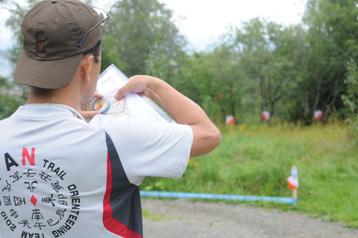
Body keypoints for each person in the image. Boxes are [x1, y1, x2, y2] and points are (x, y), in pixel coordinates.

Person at [0, 0, 221, 237]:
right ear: (87, 66)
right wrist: (154, 85)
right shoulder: (113, 137)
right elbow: (208, 135)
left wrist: (73, 116)